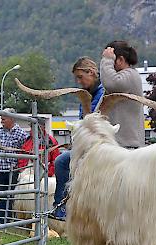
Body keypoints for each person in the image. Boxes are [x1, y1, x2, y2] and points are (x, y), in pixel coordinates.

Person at [51, 57, 104, 221]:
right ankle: (64, 206)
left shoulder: (103, 94)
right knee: (63, 162)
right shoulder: (87, 95)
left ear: (92, 72)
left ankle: (63, 207)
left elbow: (94, 121)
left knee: (61, 162)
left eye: (81, 77)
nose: (79, 81)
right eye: (77, 78)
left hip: (99, 145)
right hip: (85, 144)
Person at [0, 108, 28, 225]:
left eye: (4, 117)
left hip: (13, 170)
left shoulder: (21, 133)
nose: (1, 120)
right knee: (0, 194)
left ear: (12, 118)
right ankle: (1, 220)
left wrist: (20, 167)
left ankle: (10, 219)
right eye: (1, 117)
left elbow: (25, 152)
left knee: (12, 195)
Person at [100, 40, 145, 148]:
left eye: (112, 60)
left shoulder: (131, 75)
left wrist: (106, 60)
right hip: (119, 145)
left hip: (126, 146)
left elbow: (112, 83)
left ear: (120, 60)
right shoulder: (127, 76)